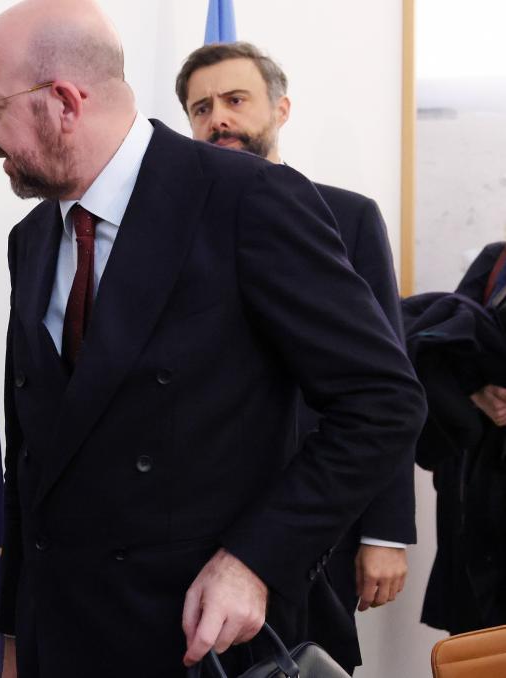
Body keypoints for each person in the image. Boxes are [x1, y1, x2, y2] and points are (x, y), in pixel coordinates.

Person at [0, 1, 426, 675]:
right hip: (63, 640)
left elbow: (383, 401)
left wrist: (257, 559)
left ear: (64, 101)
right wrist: (14, 635)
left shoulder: (247, 199)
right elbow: (34, 457)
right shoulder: (30, 238)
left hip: (201, 641)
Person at [175, 41, 413, 672]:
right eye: (201, 108)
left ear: (280, 108)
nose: (217, 117)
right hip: (206, 521)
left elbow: (387, 383)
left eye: (235, 99)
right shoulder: (174, 230)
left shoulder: (348, 215)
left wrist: (384, 533)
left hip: (319, 504)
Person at [406, 241, 506, 635]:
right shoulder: (497, 260)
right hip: (479, 489)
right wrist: (478, 392)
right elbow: (445, 345)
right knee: (475, 642)